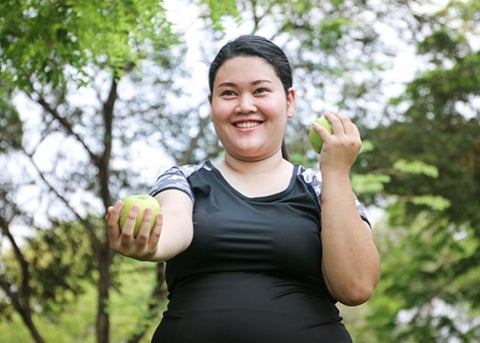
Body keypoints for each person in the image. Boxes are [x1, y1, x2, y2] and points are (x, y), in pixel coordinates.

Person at [106, 34, 380, 342]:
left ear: (289, 101)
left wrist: (336, 171)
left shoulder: (321, 186)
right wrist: (148, 241)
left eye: (260, 90)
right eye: (228, 93)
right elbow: (174, 227)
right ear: (211, 104)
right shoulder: (184, 179)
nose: (245, 105)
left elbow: (356, 287)